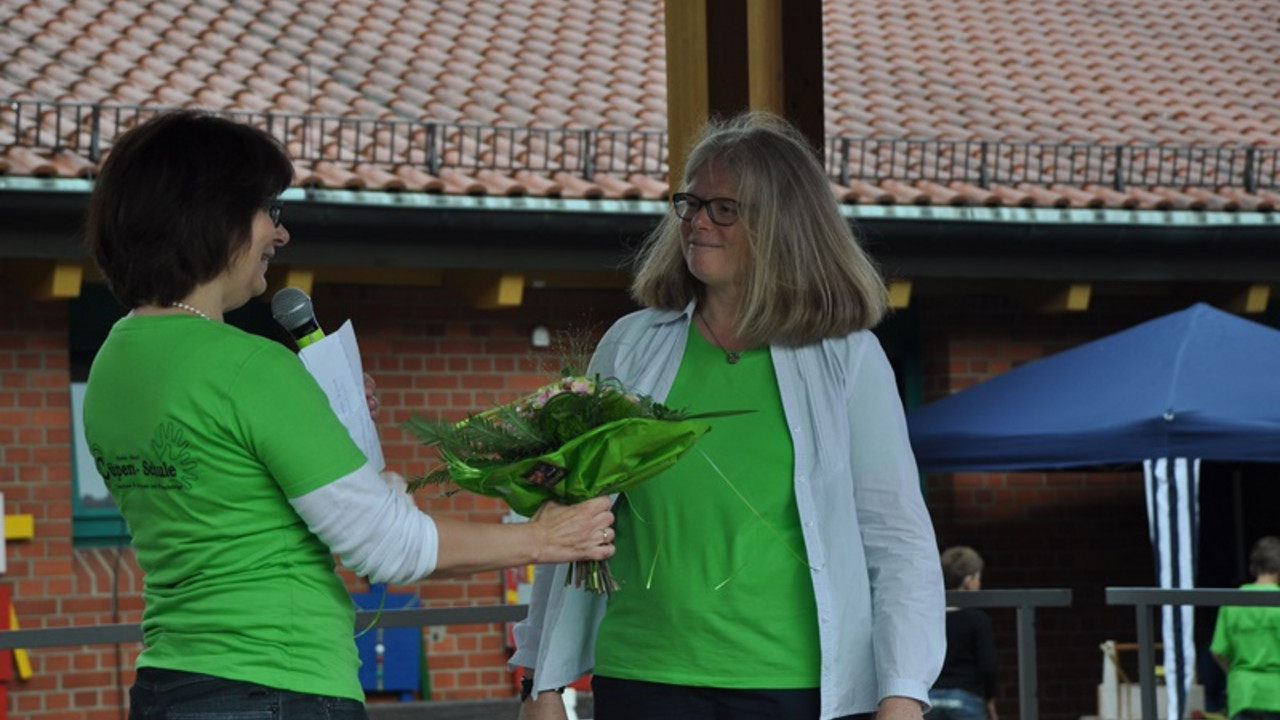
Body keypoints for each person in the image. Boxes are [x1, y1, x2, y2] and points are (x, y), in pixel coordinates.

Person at [81, 110, 616, 720]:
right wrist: (542, 539)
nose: (279, 236)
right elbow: (385, 546)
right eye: (268, 212)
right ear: (213, 216)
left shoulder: (110, 364)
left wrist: (333, 429)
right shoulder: (249, 367)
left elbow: (233, 505)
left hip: (169, 683)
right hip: (276, 687)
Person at [513, 111, 945, 720]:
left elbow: (897, 537)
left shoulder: (847, 356)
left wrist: (903, 695)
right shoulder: (630, 345)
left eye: (723, 208)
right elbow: (574, 517)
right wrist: (541, 682)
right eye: (689, 202)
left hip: (796, 688)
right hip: (641, 676)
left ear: (782, 225)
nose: (695, 222)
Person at [1211, 536, 1280, 720]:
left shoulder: (1232, 602)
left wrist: (1236, 673)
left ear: (1253, 568)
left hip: (1243, 692)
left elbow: (1218, 652)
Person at [926, 546, 999, 720]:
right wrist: (990, 699)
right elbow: (988, 666)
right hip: (966, 698)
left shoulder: (928, 617)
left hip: (930, 698)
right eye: (978, 577)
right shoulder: (977, 619)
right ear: (968, 579)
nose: (979, 584)